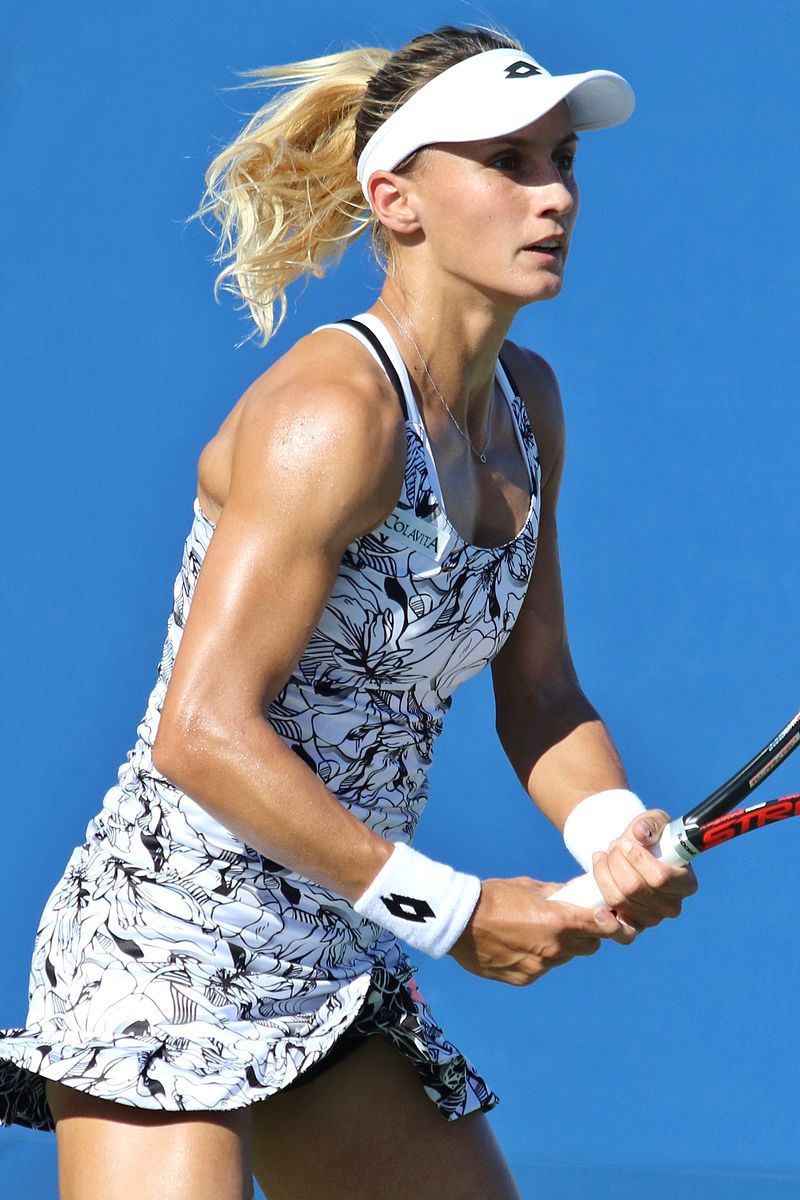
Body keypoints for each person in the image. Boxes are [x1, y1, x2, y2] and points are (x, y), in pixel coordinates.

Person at [0, 24, 697, 1200]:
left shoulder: (527, 406)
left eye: (561, 161)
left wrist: (609, 833)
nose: (553, 196)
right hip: (163, 950)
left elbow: (539, 695)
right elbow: (201, 733)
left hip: (331, 950)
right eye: (507, 163)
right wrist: (453, 911)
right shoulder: (334, 416)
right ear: (396, 200)